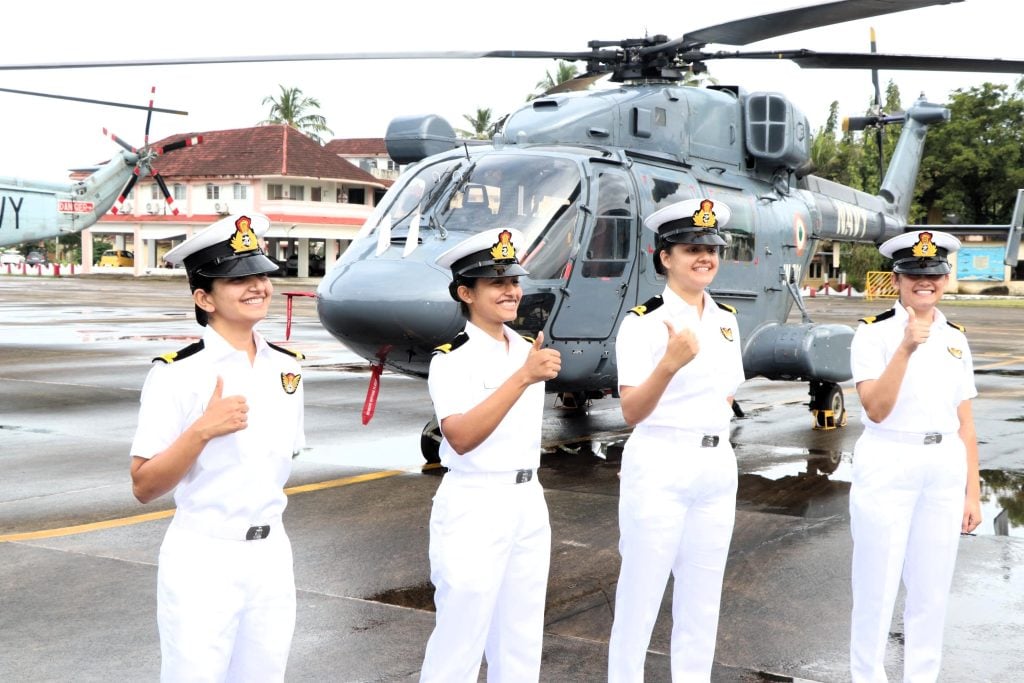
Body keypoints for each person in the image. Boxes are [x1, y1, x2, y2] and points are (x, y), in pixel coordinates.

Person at [129, 213, 305, 682]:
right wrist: (201, 431)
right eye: (237, 279)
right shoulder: (176, 374)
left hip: (270, 554)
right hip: (204, 556)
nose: (257, 287)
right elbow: (144, 484)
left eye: (260, 275)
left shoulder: (286, 368)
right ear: (203, 298)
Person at [607, 197, 745, 682]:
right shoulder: (642, 322)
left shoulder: (726, 319)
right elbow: (631, 411)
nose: (705, 257)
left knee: (702, 601)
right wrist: (669, 363)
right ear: (665, 257)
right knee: (640, 598)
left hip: (715, 466)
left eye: (711, 247)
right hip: (661, 463)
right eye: (692, 248)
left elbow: (728, 395)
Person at [420, 227, 561, 683]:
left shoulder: (524, 350)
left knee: (521, 637)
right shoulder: (451, 358)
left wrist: (525, 370)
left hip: (527, 499)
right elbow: (459, 436)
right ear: (466, 292)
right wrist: (521, 378)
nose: (512, 291)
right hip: (474, 503)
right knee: (460, 639)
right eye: (497, 283)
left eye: (514, 281)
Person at [848, 230, 981, 682]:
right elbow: (876, 409)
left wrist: (973, 493)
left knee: (931, 592)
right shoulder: (873, 333)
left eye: (934, 274)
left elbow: (964, 421)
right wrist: (906, 346)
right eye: (914, 275)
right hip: (889, 460)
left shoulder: (955, 337)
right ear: (897, 278)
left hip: (943, 465)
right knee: (876, 588)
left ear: (945, 278)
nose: (925, 283)